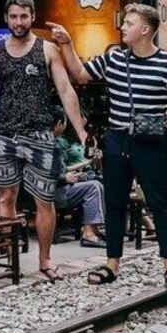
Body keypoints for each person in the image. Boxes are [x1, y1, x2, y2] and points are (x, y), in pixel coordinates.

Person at [48, 3, 167, 291]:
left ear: (145, 29)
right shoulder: (114, 60)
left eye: (129, 22)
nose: (123, 27)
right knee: (114, 202)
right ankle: (112, 263)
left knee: (159, 202)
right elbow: (79, 73)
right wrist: (67, 44)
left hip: (152, 142)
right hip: (117, 139)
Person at [0, 0, 87, 283]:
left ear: (32, 17)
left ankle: (44, 259)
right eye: (13, 16)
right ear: (7, 19)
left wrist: (80, 129)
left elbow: (67, 90)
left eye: (24, 16)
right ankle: (11, 259)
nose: (18, 22)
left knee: (44, 199)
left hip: (40, 134)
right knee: (6, 196)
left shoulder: (47, 50)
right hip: (5, 134)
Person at [50, 106, 106, 249]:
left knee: (98, 183)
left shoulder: (55, 141)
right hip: (57, 191)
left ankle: (93, 229)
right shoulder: (56, 143)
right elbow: (53, 173)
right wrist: (66, 177)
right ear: (59, 124)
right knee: (93, 186)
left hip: (63, 184)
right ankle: (88, 233)